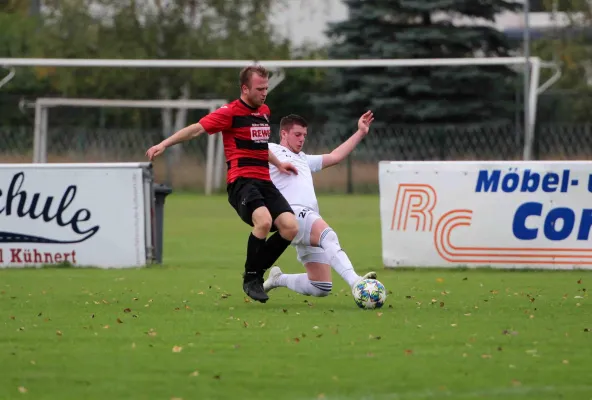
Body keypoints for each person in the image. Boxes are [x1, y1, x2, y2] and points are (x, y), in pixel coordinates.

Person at [145, 65, 299, 304]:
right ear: (245, 88)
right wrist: (164, 144)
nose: (264, 93)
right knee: (264, 221)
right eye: (259, 89)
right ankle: (250, 278)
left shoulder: (264, 111)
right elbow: (196, 129)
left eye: (266, 88)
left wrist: (278, 164)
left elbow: (259, 146)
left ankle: (256, 273)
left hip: (264, 181)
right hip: (241, 182)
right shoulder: (230, 112)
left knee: (290, 227)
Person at [263, 111, 377, 298]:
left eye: (304, 136)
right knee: (329, 236)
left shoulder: (303, 159)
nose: (302, 140)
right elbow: (251, 149)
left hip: (307, 218)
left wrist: (361, 132)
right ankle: (357, 283)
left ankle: (278, 279)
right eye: (297, 134)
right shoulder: (271, 151)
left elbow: (335, 157)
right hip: (291, 214)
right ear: (284, 134)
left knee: (321, 286)